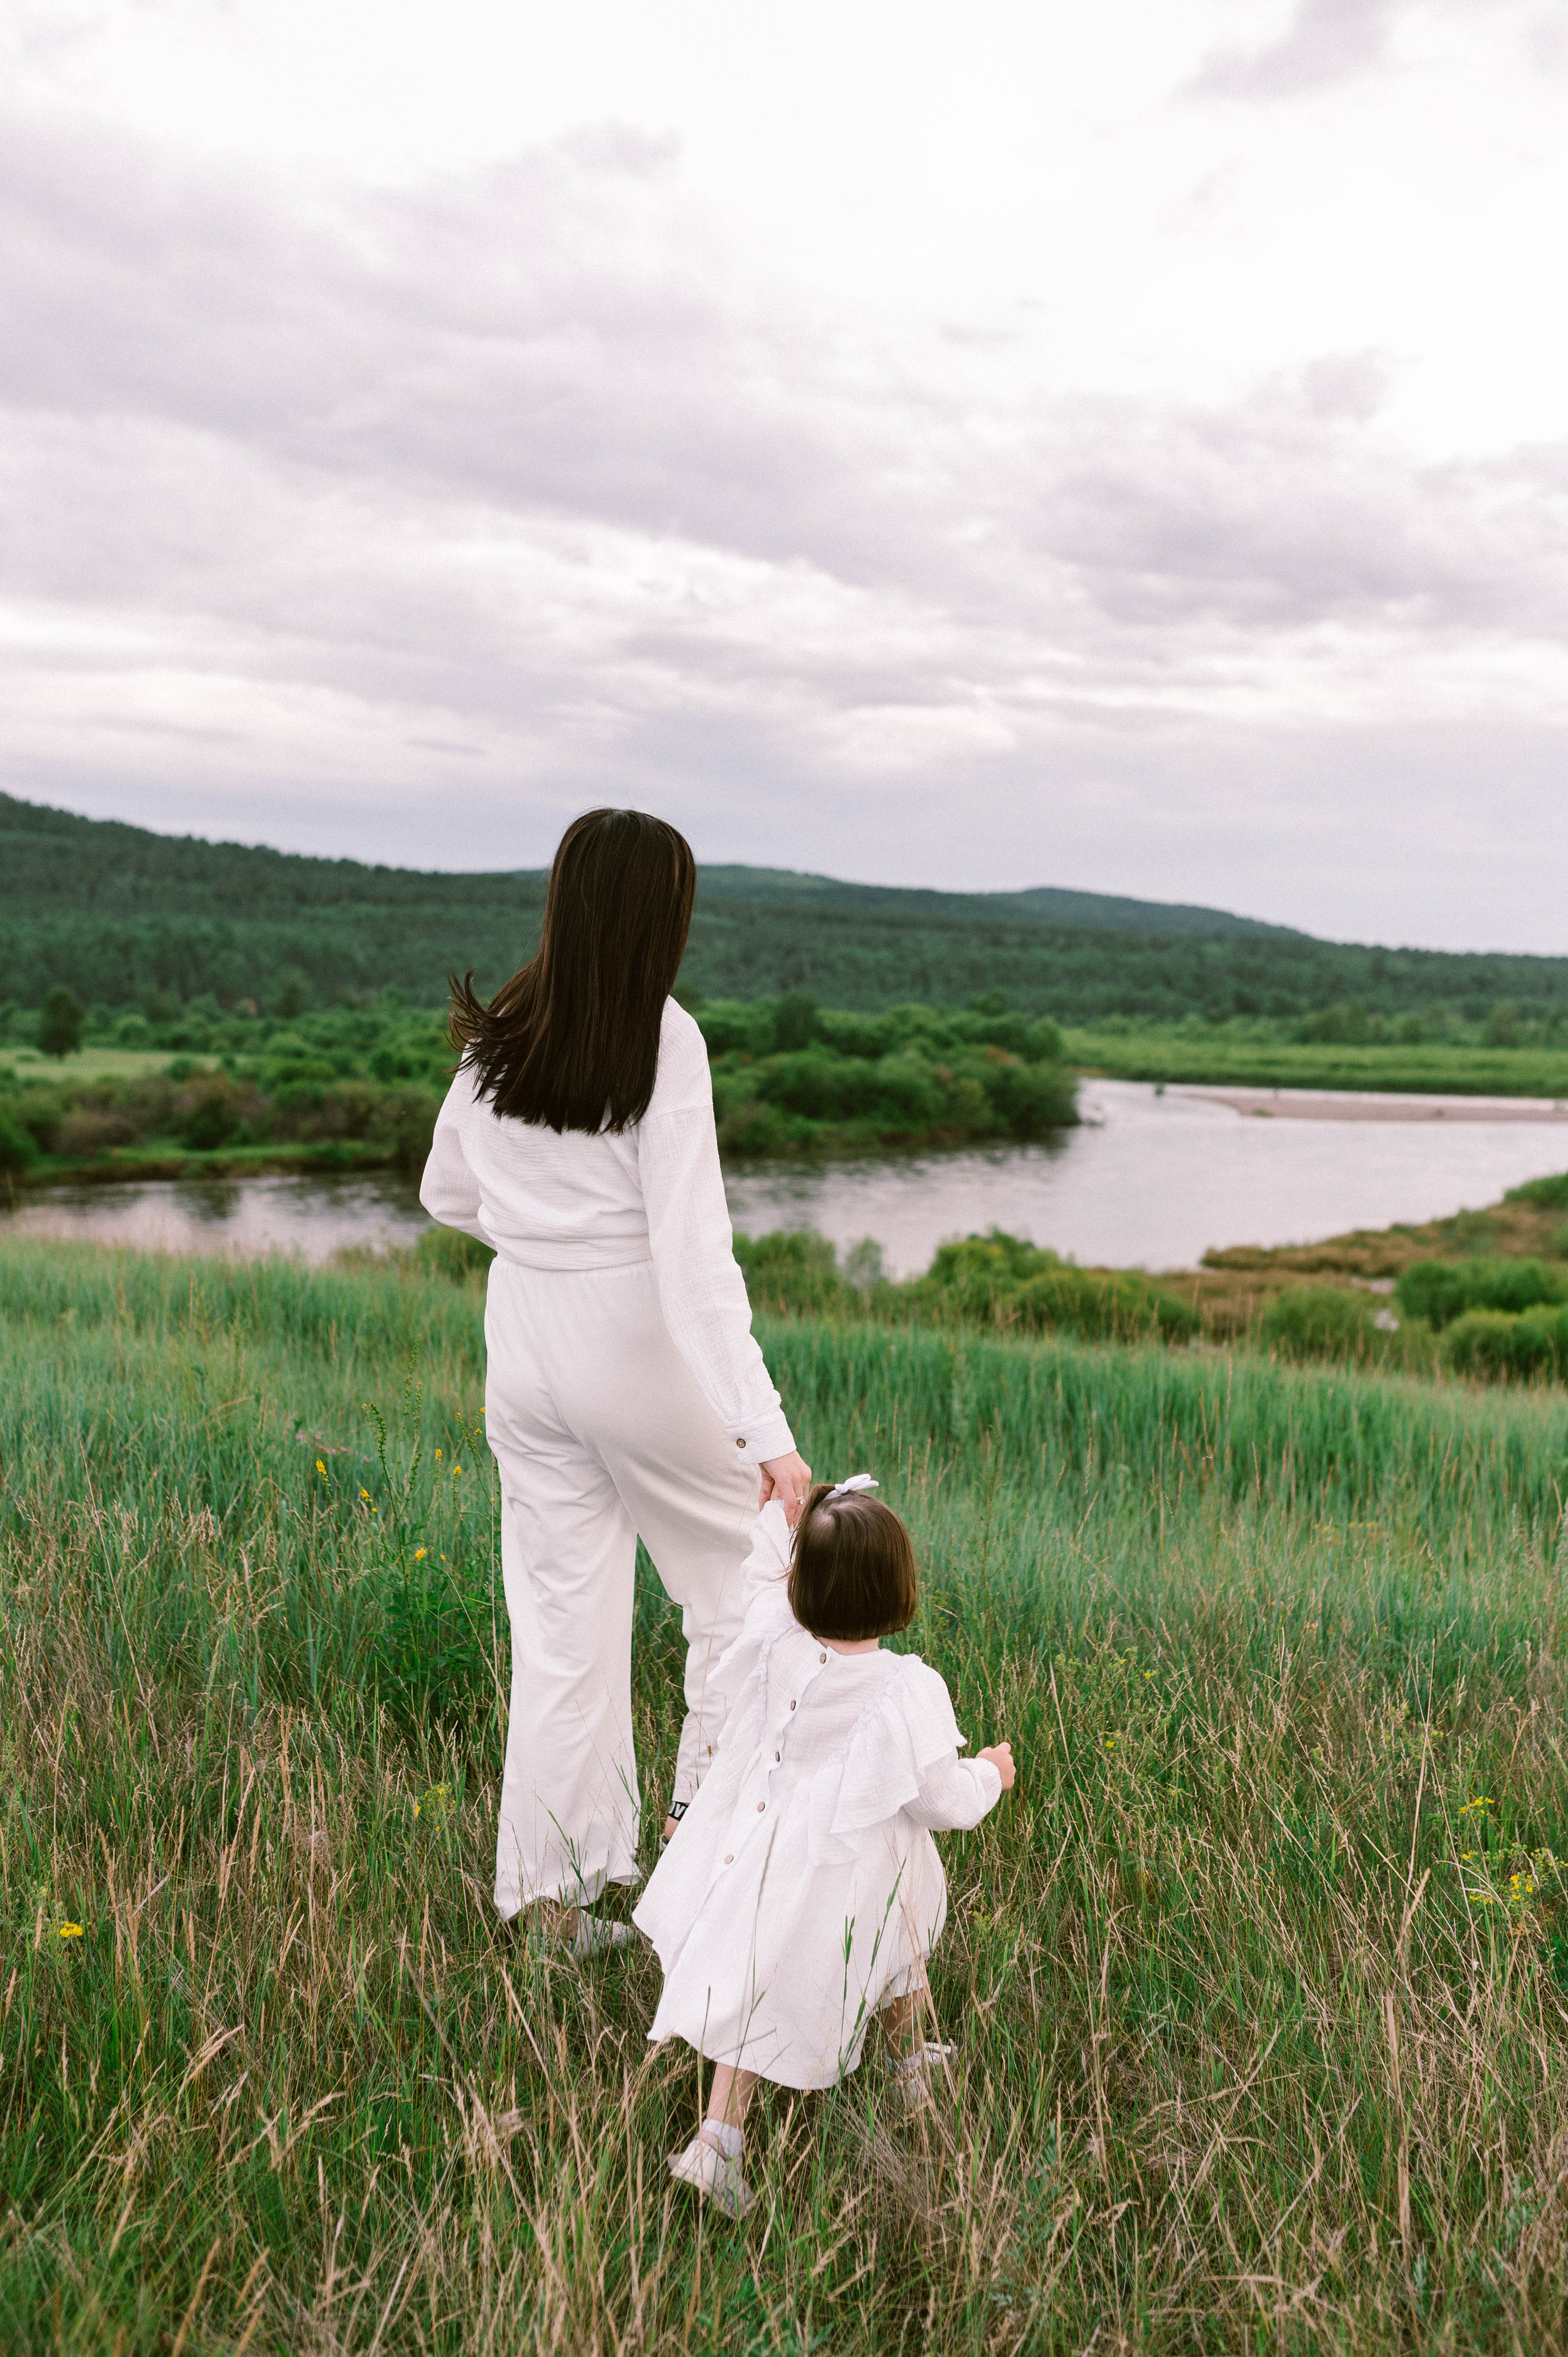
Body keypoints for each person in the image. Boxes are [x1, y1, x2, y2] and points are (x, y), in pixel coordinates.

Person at [420, 809, 812, 1951]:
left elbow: (445, 1195)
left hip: (525, 1344)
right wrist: (768, 1436)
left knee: (558, 1632)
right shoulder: (664, 1037)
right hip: (631, 1337)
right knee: (748, 1590)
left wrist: (539, 1231)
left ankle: (550, 1900)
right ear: (662, 915)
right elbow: (696, 1266)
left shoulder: (500, 1034)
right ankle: (703, 1877)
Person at [633, 1475, 1015, 2219]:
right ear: (897, 1588)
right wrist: (990, 1775)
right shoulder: (903, 1688)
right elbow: (940, 1800)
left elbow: (763, 1580)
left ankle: (718, 2141)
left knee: (751, 1990)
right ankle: (910, 2070)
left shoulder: (778, 1645)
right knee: (897, 1957)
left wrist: (781, 1522)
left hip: (766, 1859)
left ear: (803, 1585)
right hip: (857, 1882)